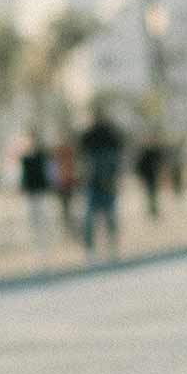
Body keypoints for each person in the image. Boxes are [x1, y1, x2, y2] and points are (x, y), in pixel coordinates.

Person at [75, 108, 126, 260]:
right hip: (97, 182)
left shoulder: (106, 135)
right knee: (98, 215)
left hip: (102, 182)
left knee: (102, 215)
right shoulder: (97, 136)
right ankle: (102, 246)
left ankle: (104, 246)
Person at [16, 135, 55, 249]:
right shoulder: (25, 158)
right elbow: (23, 175)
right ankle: (38, 239)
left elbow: (49, 171)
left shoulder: (42, 156)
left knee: (44, 214)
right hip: (31, 190)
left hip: (41, 189)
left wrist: (50, 183)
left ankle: (47, 238)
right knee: (34, 216)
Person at [132, 136, 167, 221]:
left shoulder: (151, 152)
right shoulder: (147, 153)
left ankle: (153, 210)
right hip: (149, 176)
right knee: (151, 194)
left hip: (151, 176)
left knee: (152, 194)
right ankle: (152, 210)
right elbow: (140, 166)